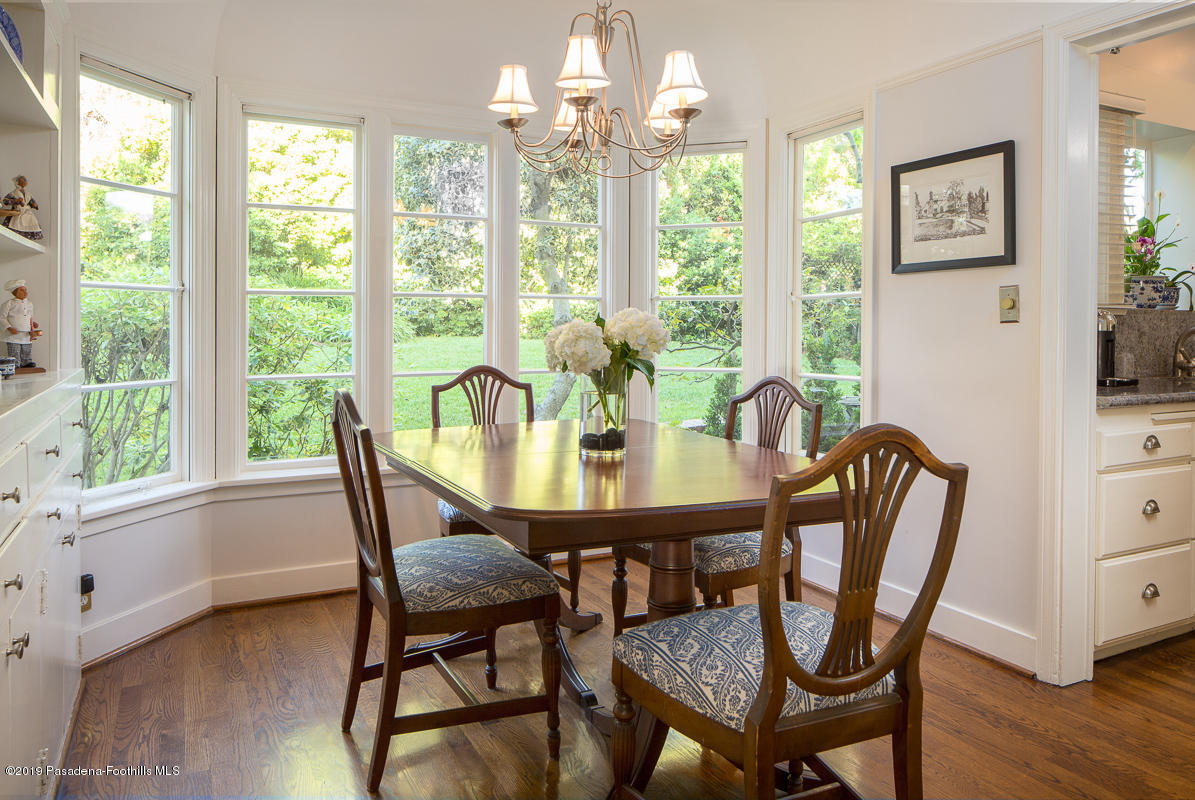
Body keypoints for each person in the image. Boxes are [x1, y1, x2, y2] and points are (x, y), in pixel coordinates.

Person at [0, 279, 40, 368]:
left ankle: (26, 362)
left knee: (26, 348)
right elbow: (2, 317)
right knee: (14, 348)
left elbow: (29, 316)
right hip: (13, 334)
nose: (25, 292)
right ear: (15, 292)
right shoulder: (9, 304)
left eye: (25, 290)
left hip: (26, 333)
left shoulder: (29, 304)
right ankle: (15, 363)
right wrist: (9, 327)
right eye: (21, 290)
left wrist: (33, 323)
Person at [0, 175, 43, 241]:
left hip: (27, 211)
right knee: (15, 222)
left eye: (25, 181)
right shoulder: (13, 193)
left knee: (31, 221)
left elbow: (31, 201)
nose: (24, 182)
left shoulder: (28, 194)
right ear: (17, 182)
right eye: (22, 181)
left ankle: (27, 235)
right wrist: (15, 201)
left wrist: (35, 205)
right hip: (18, 210)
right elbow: (5, 201)